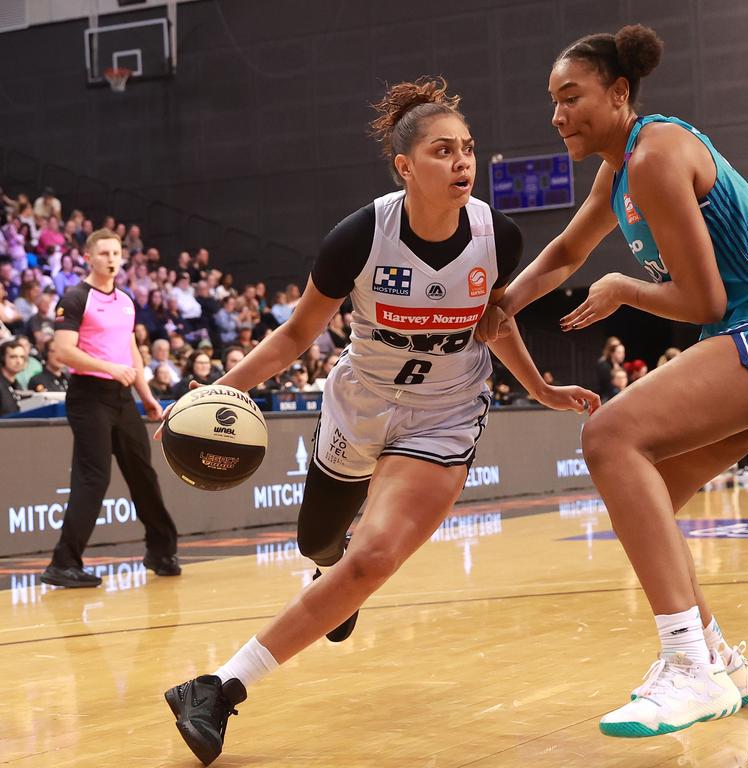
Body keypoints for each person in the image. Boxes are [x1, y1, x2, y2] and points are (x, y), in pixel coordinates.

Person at [162, 77, 600, 765]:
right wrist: (210, 394)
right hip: (361, 402)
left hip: (445, 417)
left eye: (468, 149)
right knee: (319, 544)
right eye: (442, 151)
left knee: (372, 557)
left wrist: (541, 388)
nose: (462, 163)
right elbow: (293, 337)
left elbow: (495, 325)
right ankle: (331, 579)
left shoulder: (497, 236)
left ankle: (217, 689)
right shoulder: (360, 234)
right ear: (405, 166)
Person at [485, 24, 748, 737]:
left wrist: (623, 286)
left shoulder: (655, 156)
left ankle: (686, 668)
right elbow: (565, 249)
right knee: (654, 497)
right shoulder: (620, 166)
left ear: (619, 93)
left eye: (571, 97)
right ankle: (715, 660)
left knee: (609, 434)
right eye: (552, 102)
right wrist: (505, 303)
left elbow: (704, 302)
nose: (557, 114)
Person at [41, 229, 180, 588]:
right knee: (94, 477)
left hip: (122, 397)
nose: (112, 258)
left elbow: (130, 347)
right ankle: (63, 563)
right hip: (88, 396)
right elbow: (63, 350)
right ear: (88, 258)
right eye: (104, 253)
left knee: (142, 473)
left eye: (116, 252)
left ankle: (161, 551)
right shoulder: (74, 298)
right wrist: (109, 368)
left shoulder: (125, 301)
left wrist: (146, 394)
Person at [0, 338, 25, 415]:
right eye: (13, 357)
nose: (19, 361)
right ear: (2, 358)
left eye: (22, 357)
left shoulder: (18, 385)